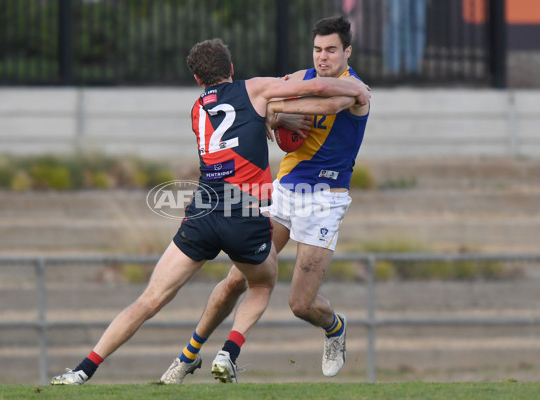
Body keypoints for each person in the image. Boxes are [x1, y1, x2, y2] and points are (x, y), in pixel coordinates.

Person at [51, 37, 370, 385]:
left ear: (197, 80)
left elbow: (240, 126)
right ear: (232, 69)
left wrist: (279, 120)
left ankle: (82, 370)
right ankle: (228, 353)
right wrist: (357, 91)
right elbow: (321, 91)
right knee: (261, 283)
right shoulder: (254, 89)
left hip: (202, 210)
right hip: (244, 212)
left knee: (150, 299)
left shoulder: (196, 109)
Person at [160, 16, 370, 384]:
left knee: (300, 305)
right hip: (283, 190)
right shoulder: (299, 79)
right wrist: (280, 117)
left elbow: (329, 106)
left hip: (325, 199)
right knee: (235, 280)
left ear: (347, 52)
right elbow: (265, 111)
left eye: (331, 50)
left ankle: (335, 328)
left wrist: (281, 113)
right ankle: (188, 355)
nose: (323, 58)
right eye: (318, 50)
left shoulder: (357, 89)